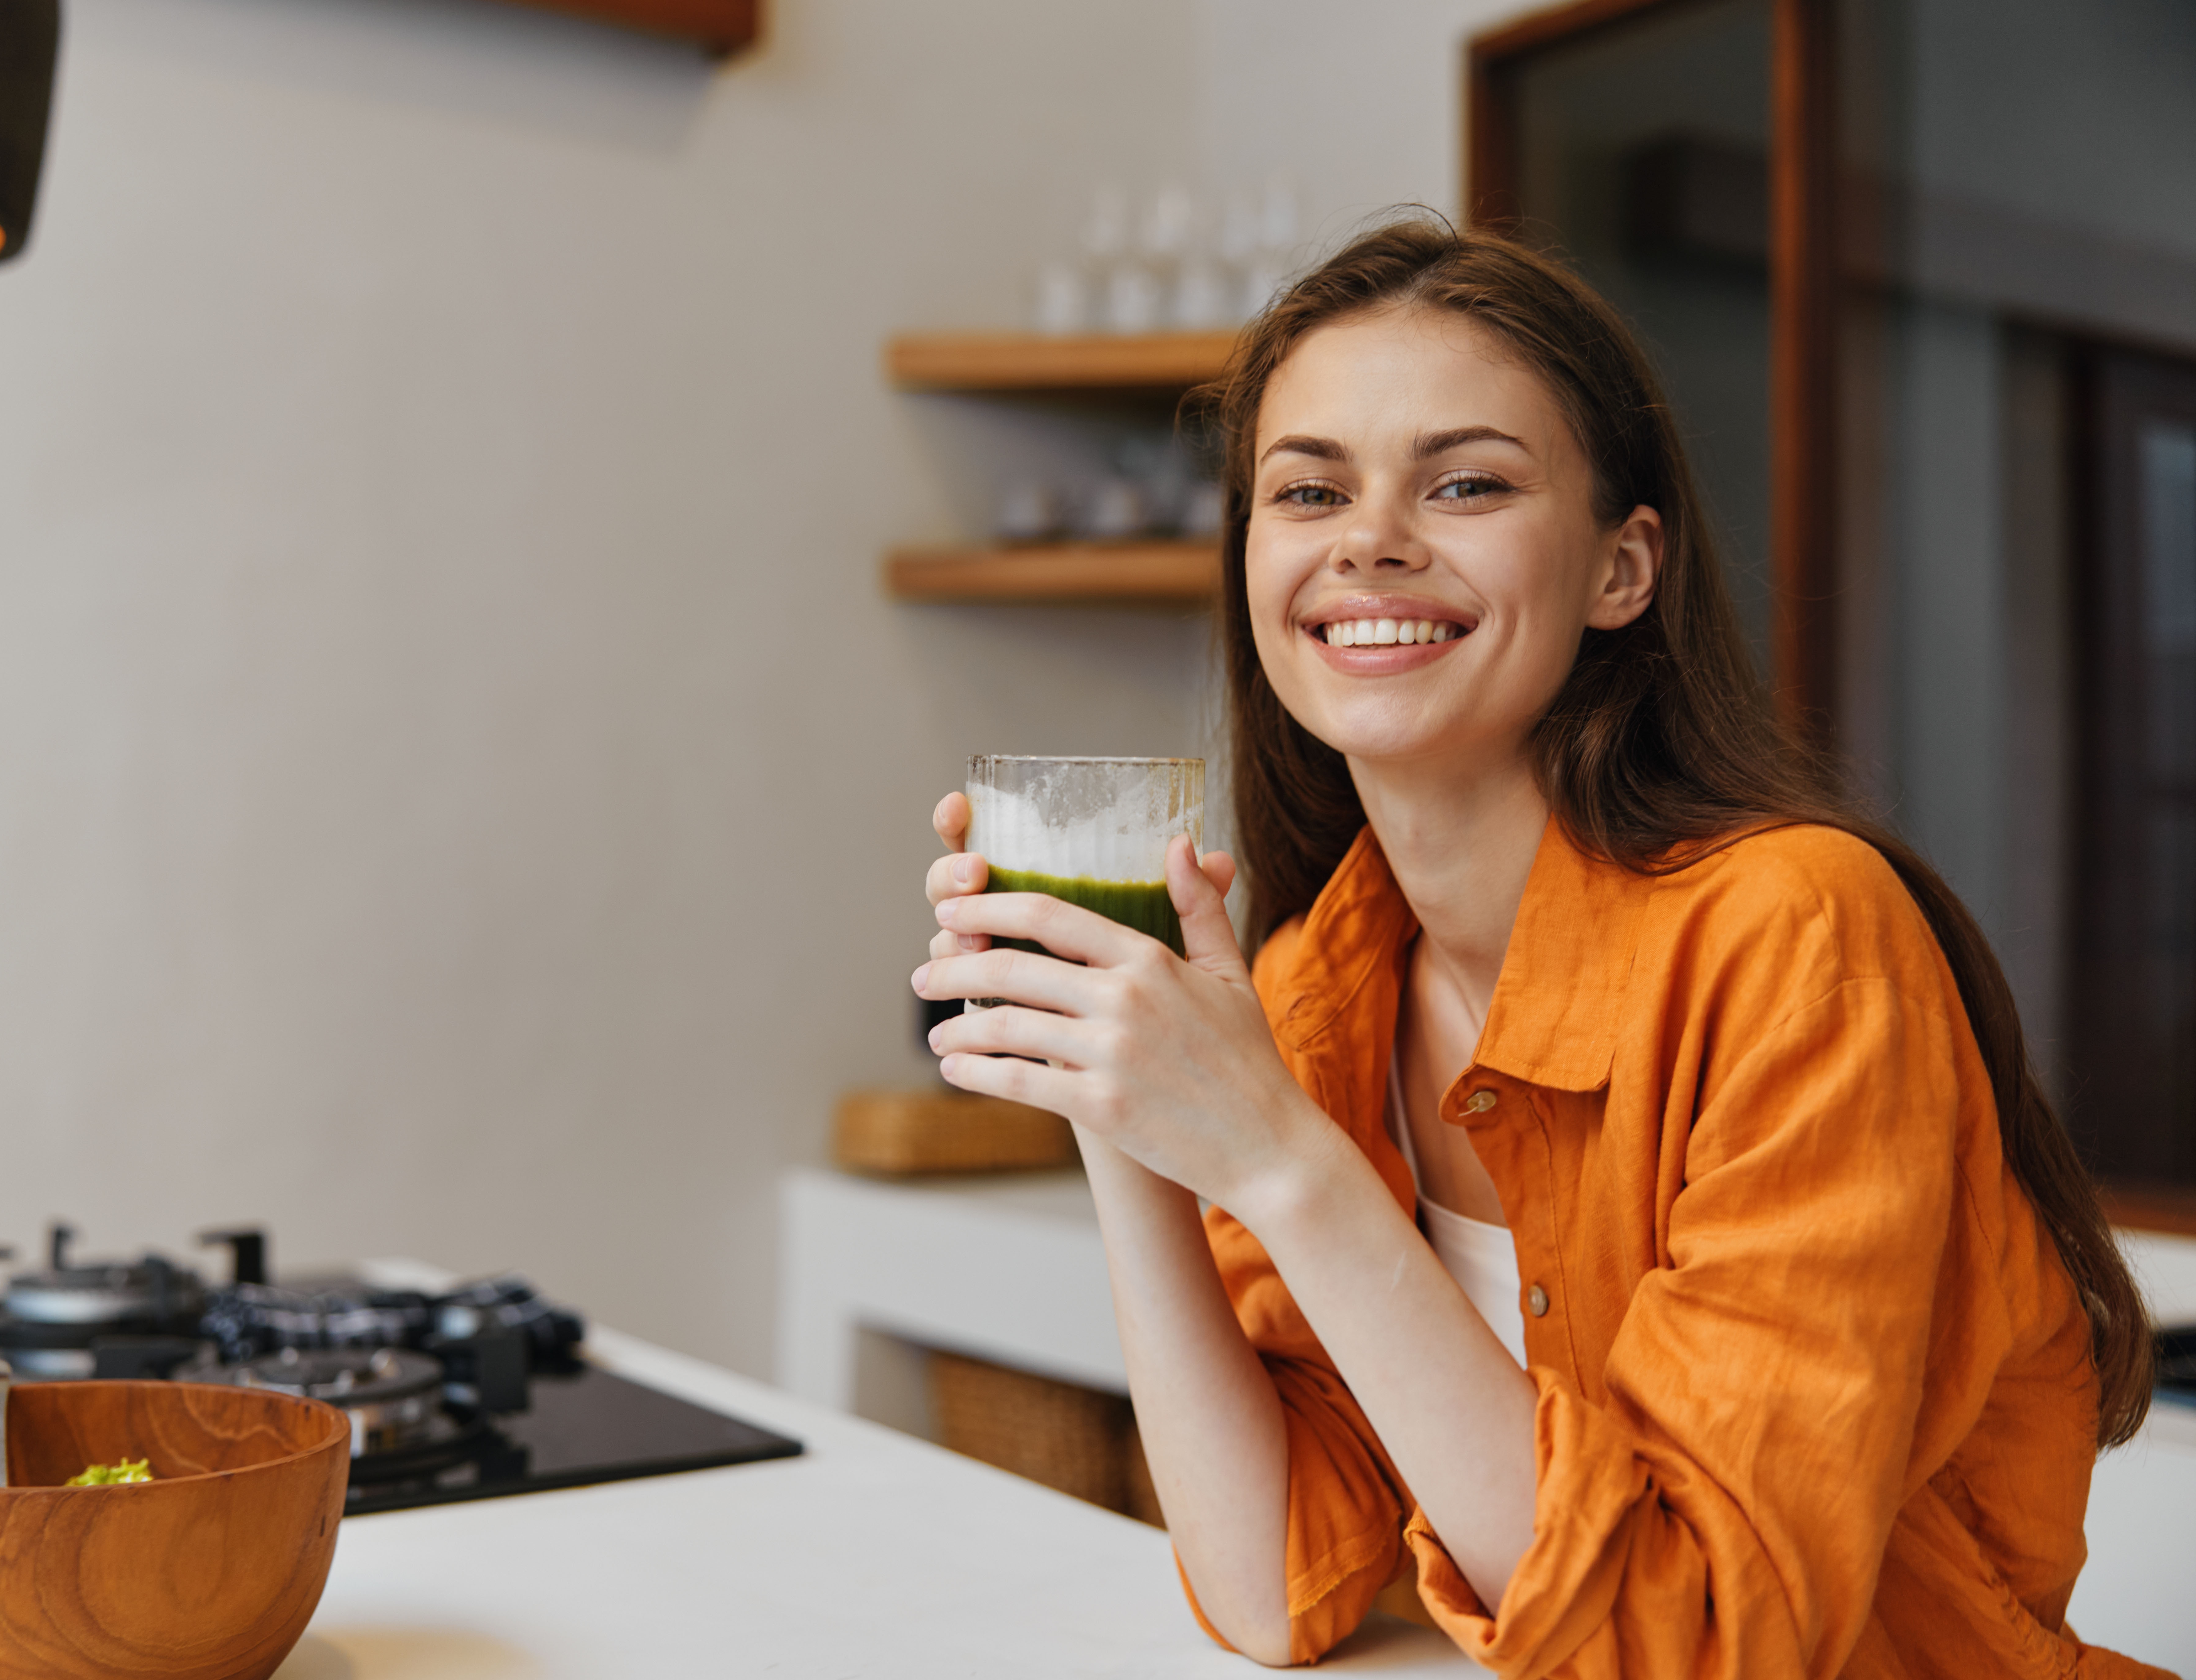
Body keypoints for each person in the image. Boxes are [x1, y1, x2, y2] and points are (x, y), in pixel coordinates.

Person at [911, 219, 2163, 1678]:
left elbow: (1705, 1639)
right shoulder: (1322, 985)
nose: (1368, 540)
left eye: (1465, 483)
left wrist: (1276, 1161)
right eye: (1306, 488)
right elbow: (1273, 1584)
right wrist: (1122, 1103)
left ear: (1620, 569)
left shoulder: (1794, 936)